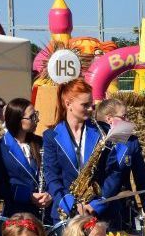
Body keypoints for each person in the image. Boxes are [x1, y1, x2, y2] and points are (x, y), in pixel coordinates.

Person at [42, 79, 108, 222]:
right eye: (85, 105)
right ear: (68, 104)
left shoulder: (102, 131)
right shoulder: (51, 136)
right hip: (65, 212)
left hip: (95, 210)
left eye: (91, 104)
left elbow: (112, 172)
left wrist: (96, 204)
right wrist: (69, 203)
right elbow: (51, 176)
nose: (91, 109)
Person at [95, 98, 145, 231]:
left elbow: (141, 175)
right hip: (94, 204)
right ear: (109, 119)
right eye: (124, 116)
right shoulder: (94, 138)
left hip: (121, 207)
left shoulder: (131, 141)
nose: (127, 120)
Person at [0, 98, 51, 219]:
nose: (37, 120)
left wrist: (49, 194)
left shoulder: (41, 143)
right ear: (17, 120)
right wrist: (28, 196)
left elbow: (53, 173)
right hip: (17, 213)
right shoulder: (0, 147)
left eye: (36, 115)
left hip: (44, 213)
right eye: (32, 117)